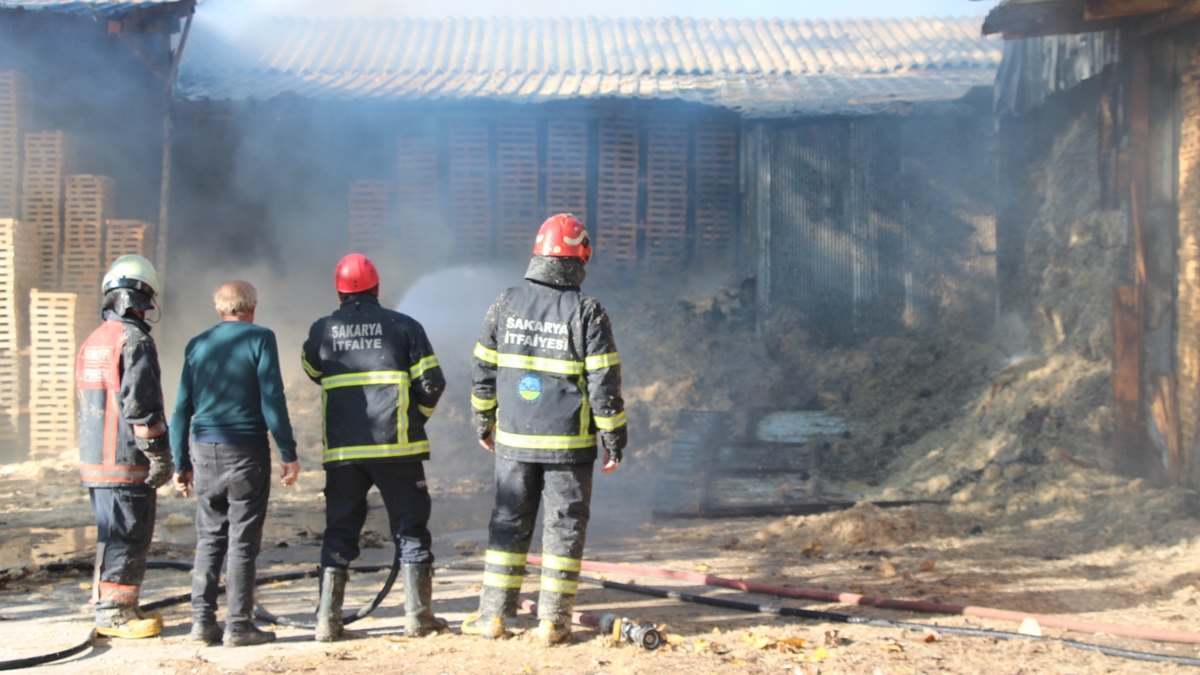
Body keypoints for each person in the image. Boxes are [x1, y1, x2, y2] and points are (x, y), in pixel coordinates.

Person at [461, 214, 627, 644]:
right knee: (564, 527)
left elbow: (482, 368)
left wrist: (483, 419)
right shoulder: (588, 311)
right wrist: (614, 437)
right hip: (569, 446)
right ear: (580, 258)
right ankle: (552, 622)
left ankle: (492, 617)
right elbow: (604, 383)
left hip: (513, 442)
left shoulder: (505, 304)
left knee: (507, 523)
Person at [301, 253, 447, 641]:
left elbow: (313, 369)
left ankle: (327, 622)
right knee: (411, 530)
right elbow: (432, 383)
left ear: (338, 293)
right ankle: (418, 618)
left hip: (343, 452)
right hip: (396, 449)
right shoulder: (404, 326)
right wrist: (414, 418)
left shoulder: (322, 329)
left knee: (339, 529)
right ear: (377, 288)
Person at [170, 281, 299, 647]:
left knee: (210, 538)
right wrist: (288, 452)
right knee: (242, 542)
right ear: (253, 306)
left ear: (218, 309)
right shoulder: (261, 338)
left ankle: (202, 624)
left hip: (204, 451)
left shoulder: (197, 344)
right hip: (246, 451)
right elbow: (272, 397)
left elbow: (180, 409)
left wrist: (181, 463)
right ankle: (239, 626)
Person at [76, 255, 174, 639]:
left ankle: (118, 603)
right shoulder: (135, 341)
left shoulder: (94, 341)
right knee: (130, 534)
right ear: (144, 298)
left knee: (111, 534)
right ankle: (115, 613)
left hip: (96, 461)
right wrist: (159, 454)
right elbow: (142, 406)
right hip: (125, 460)